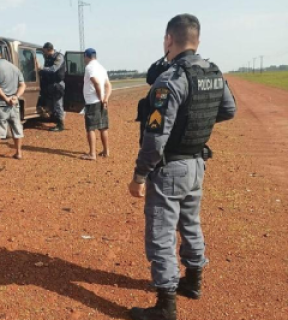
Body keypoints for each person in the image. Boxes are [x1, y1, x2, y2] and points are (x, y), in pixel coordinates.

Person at [128, 14, 236, 320]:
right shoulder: (213, 72)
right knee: (190, 223)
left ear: (168, 40)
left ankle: (165, 305)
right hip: (197, 165)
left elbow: (155, 139)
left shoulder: (170, 80)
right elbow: (229, 110)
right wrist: (195, 124)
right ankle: (193, 281)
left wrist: (139, 175)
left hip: (170, 168)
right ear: (197, 41)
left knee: (161, 232)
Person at [80, 48, 112, 160]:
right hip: (102, 101)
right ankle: (106, 150)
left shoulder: (89, 67)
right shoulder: (101, 67)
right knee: (103, 127)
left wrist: (100, 97)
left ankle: (92, 154)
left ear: (86, 56)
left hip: (92, 102)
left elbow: (97, 83)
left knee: (90, 128)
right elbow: (108, 85)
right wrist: (105, 99)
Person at [39, 42, 67, 132]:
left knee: (58, 104)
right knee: (52, 105)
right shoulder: (48, 57)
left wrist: (41, 68)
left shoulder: (59, 57)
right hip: (50, 84)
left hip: (57, 84)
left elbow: (54, 69)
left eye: (44, 51)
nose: (43, 53)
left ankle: (60, 125)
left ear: (48, 49)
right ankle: (56, 120)